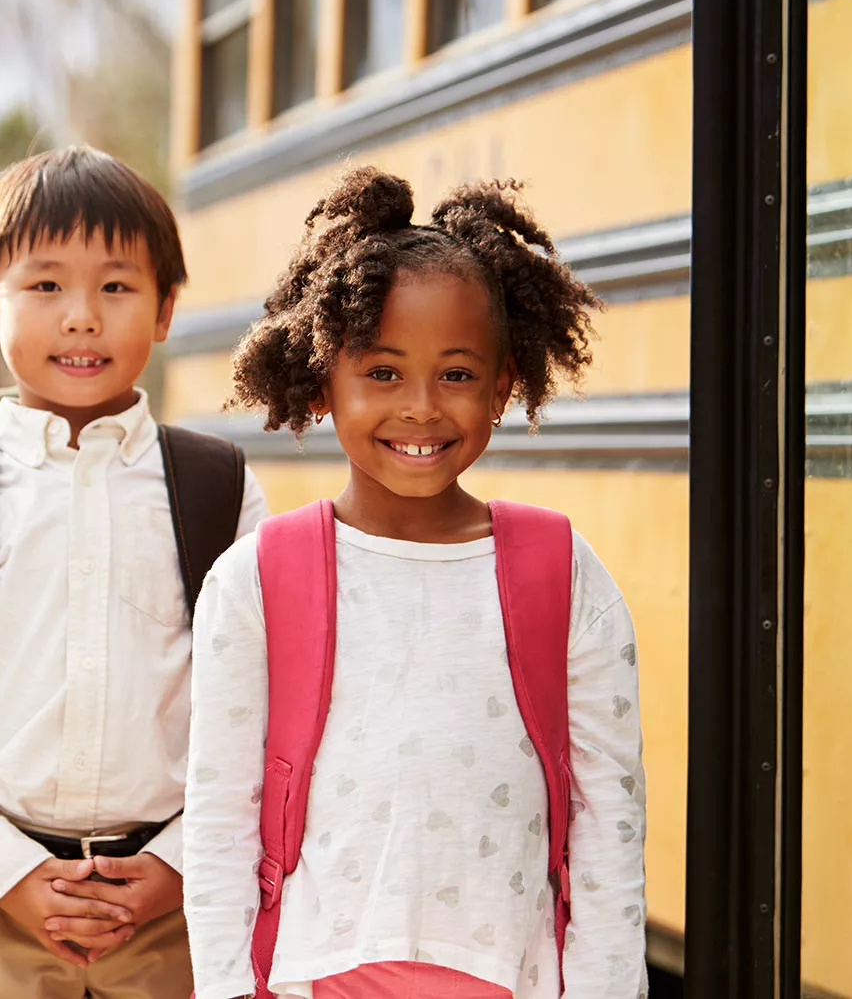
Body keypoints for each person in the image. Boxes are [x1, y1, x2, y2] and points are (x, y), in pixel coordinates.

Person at [183, 168, 647, 998]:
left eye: (459, 375)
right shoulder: (258, 578)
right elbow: (219, 825)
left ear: (504, 386)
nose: (423, 408)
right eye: (384, 372)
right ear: (324, 379)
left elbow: (608, 820)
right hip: (317, 980)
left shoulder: (561, 570)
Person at [0, 146, 268, 999]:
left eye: (116, 287)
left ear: (164, 310)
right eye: (44, 286)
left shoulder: (218, 490)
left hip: (174, 908)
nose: (82, 317)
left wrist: (179, 865)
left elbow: (267, 695)